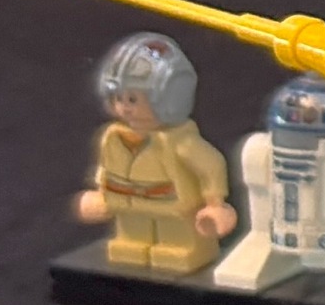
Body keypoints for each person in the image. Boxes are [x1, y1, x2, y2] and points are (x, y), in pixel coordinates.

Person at [76, 30, 236, 274]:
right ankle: (130, 249)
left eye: (133, 99)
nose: (124, 108)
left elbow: (211, 165)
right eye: (118, 98)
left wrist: (215, 203)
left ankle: (185, 253)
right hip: (127, 207)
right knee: (130, 242)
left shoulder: (179, 142)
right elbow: (107, 168)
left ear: (169, 98)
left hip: (174, 209)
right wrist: (102, 194)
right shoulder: (113, 137)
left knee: (176, 244)